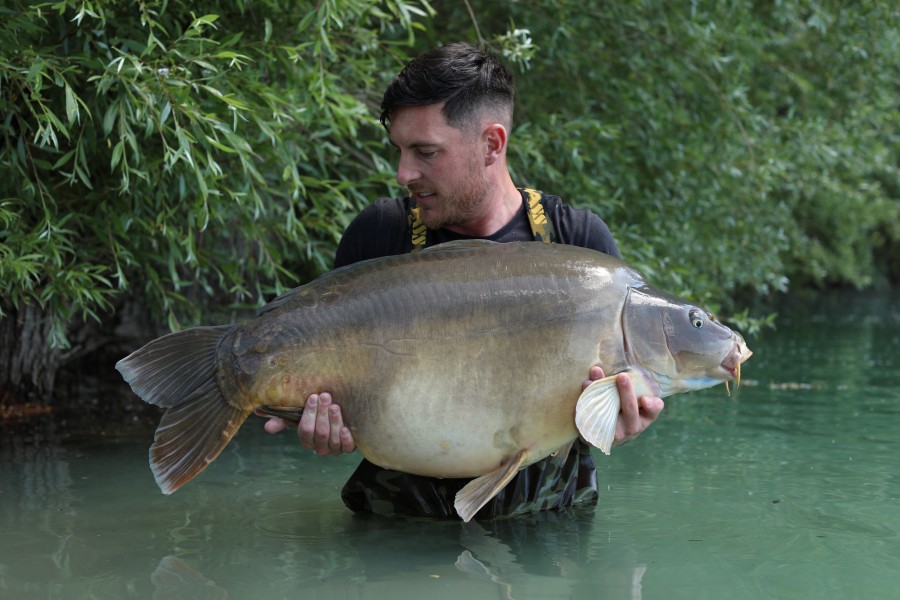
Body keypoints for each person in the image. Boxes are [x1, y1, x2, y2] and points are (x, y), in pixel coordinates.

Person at [265, 42, 664, 519]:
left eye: (425, 152)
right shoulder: (378, 236)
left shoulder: (579, 245)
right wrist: (310, 418)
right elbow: (332, 391)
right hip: (395, 535)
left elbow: (624, 391)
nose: (403, 173)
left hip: (546, 536)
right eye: (400, 150)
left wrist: (625, 415)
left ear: (492, 144)